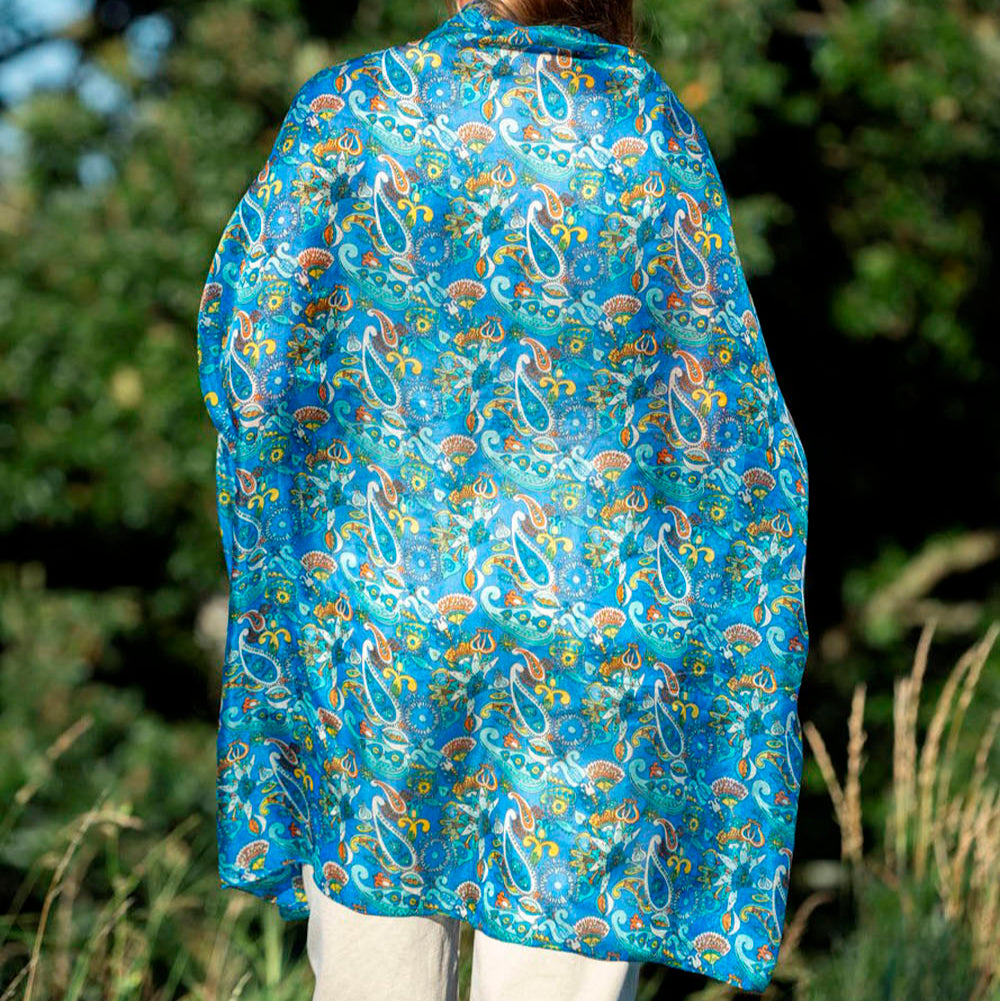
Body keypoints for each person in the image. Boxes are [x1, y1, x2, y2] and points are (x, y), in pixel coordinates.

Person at [195, 0, 810, 997]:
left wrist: (322, 515)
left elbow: (249, 359)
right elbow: (729, 424)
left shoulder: (354, 109)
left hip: (379, 635)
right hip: (592, 652)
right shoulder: (643, 129)